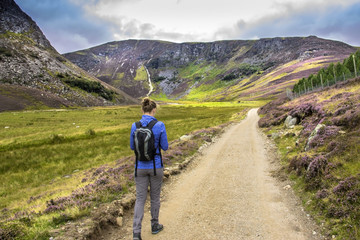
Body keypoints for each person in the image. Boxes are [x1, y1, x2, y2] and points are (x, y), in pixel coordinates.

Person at [130, 97, 168, 240]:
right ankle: (154, 225)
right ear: (154, 110)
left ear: (142, 110)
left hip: (139, 167)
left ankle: (136, 233)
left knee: (140, 199)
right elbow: (165, 146)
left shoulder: (135, 125)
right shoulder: (159, 125)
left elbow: (132, 146)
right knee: (155, 198)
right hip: (155, 167)